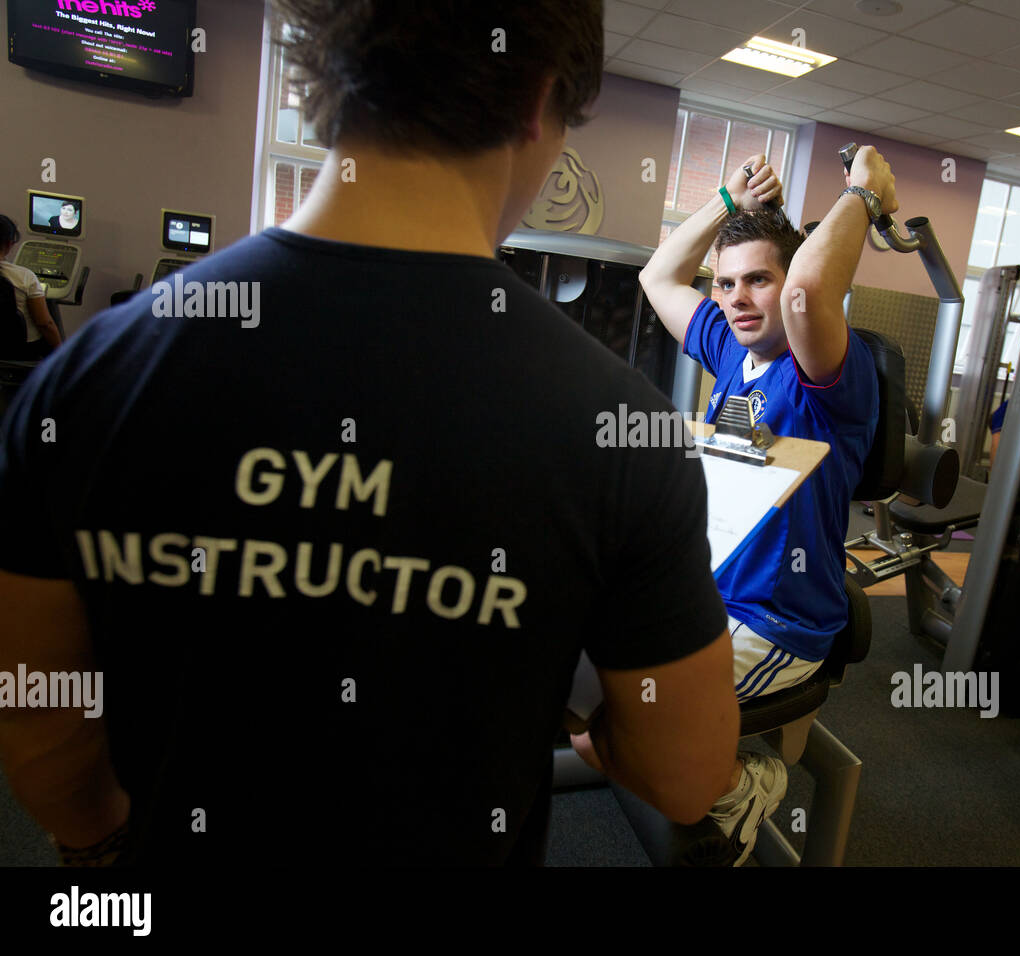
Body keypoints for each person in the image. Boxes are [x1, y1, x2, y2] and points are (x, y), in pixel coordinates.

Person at [0, 0, 741, 866]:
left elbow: (40, 720)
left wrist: (106, 842)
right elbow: (688, 777)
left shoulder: (85, 380)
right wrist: (603, 736)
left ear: (324, 76)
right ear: (540, 100)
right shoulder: (627, 434)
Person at [602, 145, 892, 857]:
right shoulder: (732, 350)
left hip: (777, 618)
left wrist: (865, 196)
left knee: (637, 714)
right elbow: (658, 274)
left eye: (757, 279)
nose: (736, 297)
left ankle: (744, 784)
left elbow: (810, 296)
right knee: (587, 666)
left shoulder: (826, 373)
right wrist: (728, 203)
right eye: (727, 283)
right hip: (703, 595)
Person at [0, 214, 62, 359]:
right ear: (10, 244)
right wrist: (62, 353)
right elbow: (45, 324)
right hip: (19, 350)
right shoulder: (25, 277)